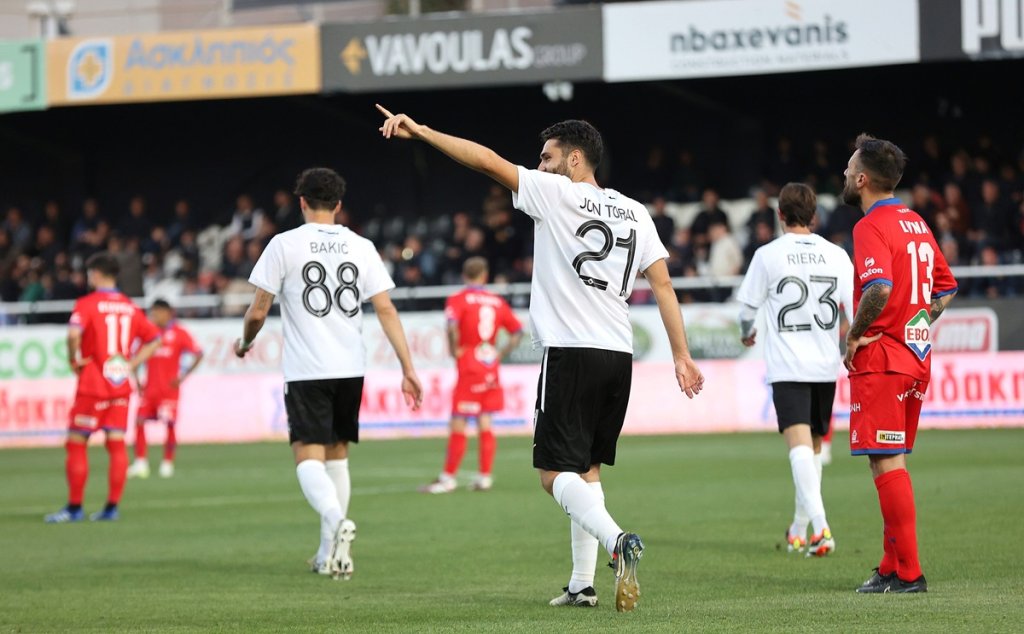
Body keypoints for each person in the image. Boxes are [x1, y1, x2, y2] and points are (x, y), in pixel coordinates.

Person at [377, 104, 704, 611]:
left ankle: (617, 541)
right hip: (618, 354)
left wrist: (422, 132)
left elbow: (486, 161)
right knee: (586, 471)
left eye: (547, 157)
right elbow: (662, 284)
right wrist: (681, 354)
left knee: (553, 475)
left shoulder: (555, 193)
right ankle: (581, 585)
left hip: (571, 351)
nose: (540, 166)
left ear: (575, 159)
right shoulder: (636, 211)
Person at [234, 167, 423, 580]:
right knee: (337, 457)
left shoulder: (284, 244)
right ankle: (330, 554)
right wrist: (408, 368)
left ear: (301, 202)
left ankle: (337, 523)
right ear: (338, 205)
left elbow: (259, 311)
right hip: (350, 367)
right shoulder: (361, 246)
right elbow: (386, 309)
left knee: (307, 456)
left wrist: (245, 342)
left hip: (307, 369)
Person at [841, 134, 957, 594]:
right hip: (915, 356)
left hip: (884, 359)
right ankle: (891, 566)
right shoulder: (917, 222)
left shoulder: (870, 225)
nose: (845, 173)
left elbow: (879, 288)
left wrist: (855, 334)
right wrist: (916, 322)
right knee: (887, 461)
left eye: (850, 167)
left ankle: (909, 573)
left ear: (863, 180)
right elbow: (945, 289)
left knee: (887, 462)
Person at [735, 182, 853, 557]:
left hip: (789, 364)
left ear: (780, 214)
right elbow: (855, 311)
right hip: (825, 364)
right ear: (814, 216)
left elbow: (747, 311)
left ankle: (821, 527)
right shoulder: (837, 255)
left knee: (800, 447)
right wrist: (852, 343)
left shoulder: (768, 255)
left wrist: (747, 333)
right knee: (814, 448)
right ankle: (799, 528)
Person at [44, 253, 162, 523]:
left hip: (93, 384)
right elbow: (155, 339)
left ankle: (74, 508)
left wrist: (73, 359)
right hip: (120, 386)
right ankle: (111, 508)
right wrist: (132, 364)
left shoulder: (87, 304)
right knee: (116, 444)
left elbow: (73, 334)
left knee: (76, 443)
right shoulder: (130, 307)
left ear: (95, 274)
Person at [420, 256, 523, 494]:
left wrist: (454, 348)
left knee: (459, 421)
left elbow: (452, 326)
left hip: (469, 364)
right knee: (485, 421)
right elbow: (518, 331)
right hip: (490, 364)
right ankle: (484, 477)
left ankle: (448, 478)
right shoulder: (497, 301)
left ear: (464, 275)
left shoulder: (458, 299)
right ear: (485, 276)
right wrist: (501, 352)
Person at [128, 299, 204, 480]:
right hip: (149, 389)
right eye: (152, 313)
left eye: (157, 313)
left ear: (168, 313)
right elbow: (135, 358)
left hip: (169, 390)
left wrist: (183, 377)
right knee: (139, 421)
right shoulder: (149, 333)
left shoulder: (179, 333)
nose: (154, 316)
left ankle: (167, 463)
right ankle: (140, 462)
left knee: (169, 424)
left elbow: (198, 354)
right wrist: (137, 380)